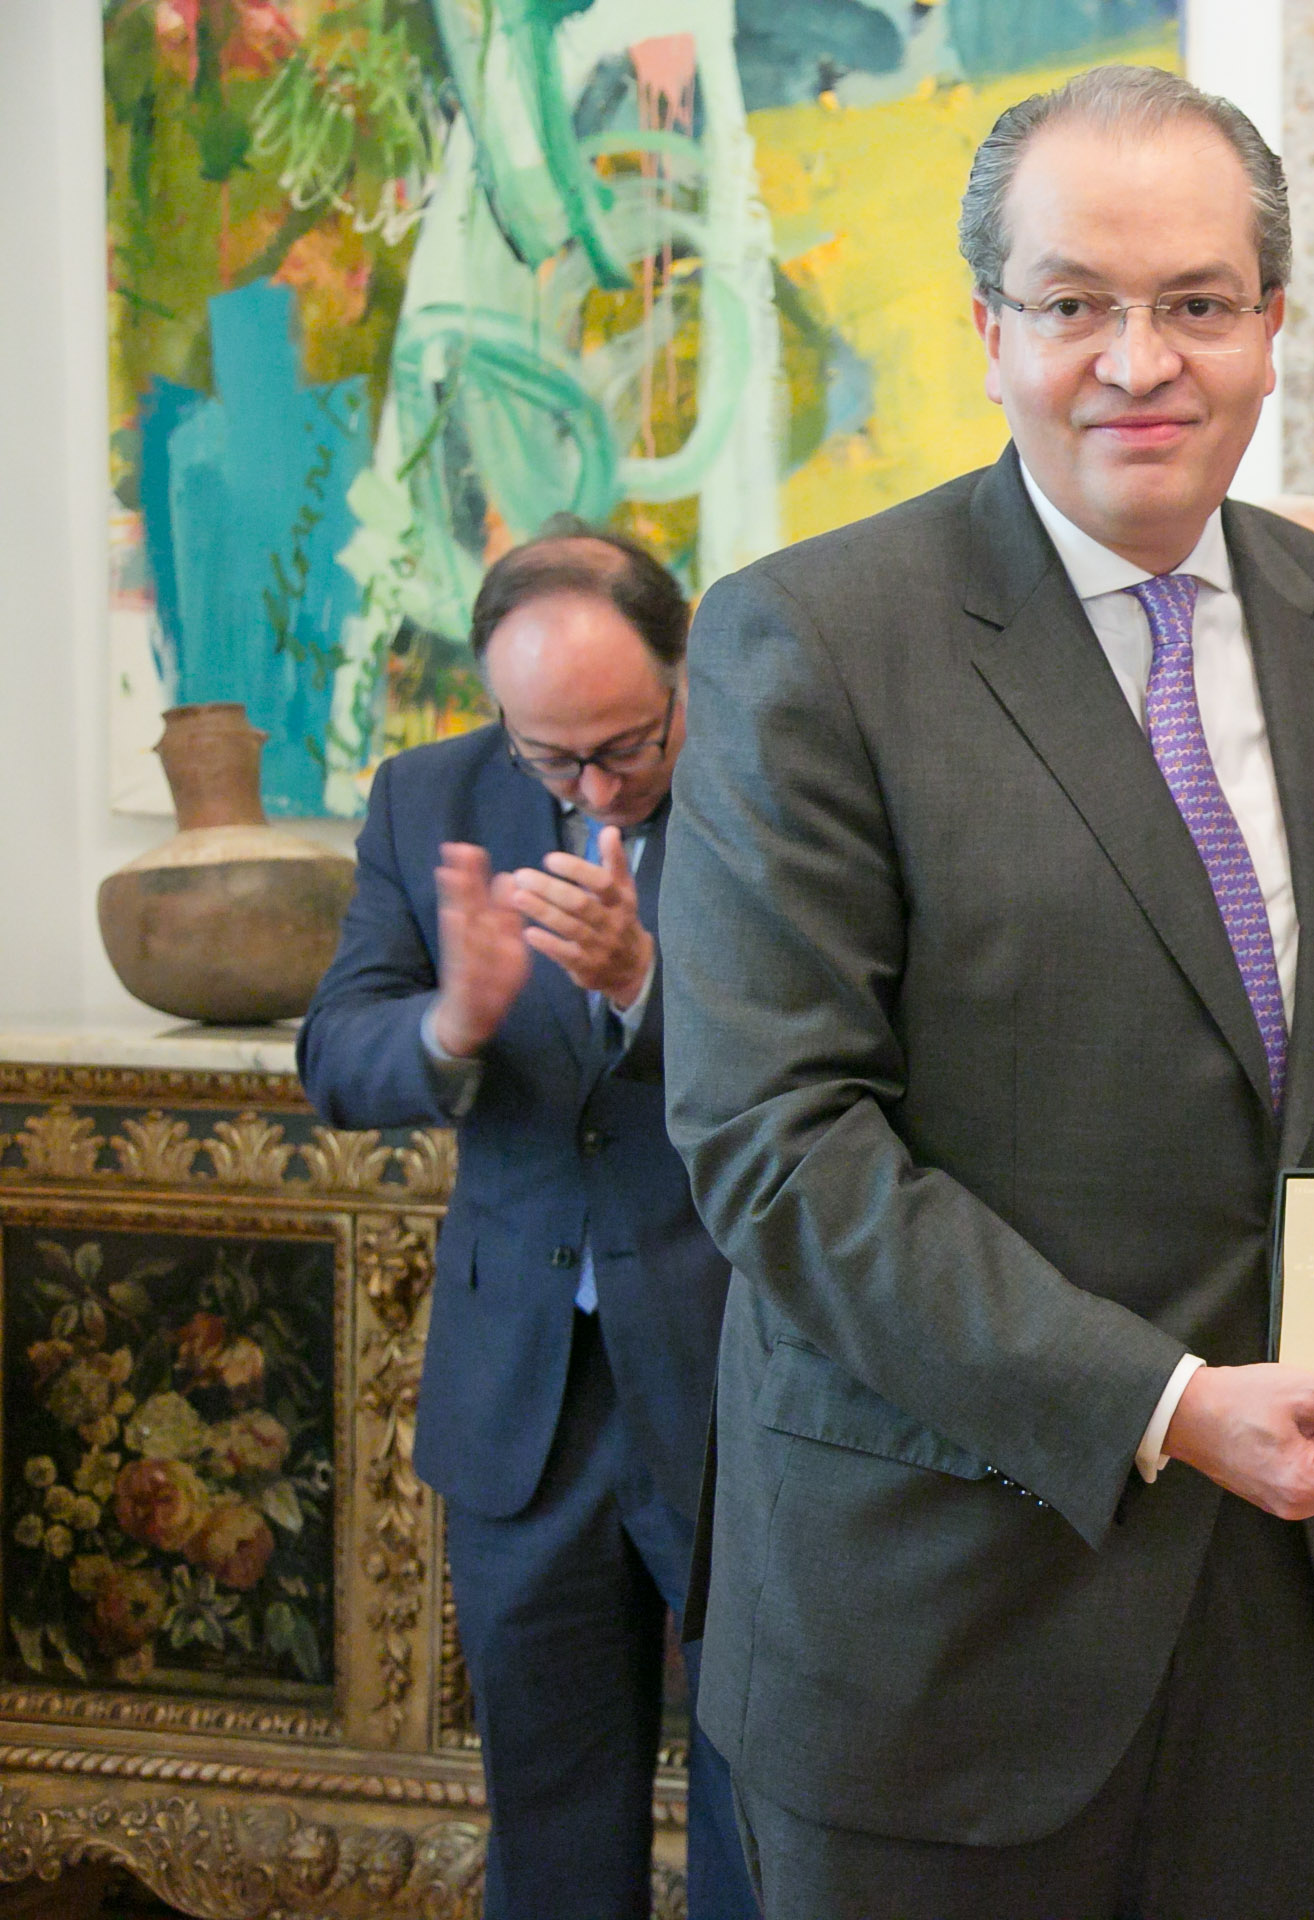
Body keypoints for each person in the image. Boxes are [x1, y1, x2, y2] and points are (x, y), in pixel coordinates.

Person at [656, 65, 1314, 1920]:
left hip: (1286, 1622)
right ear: (989, 329)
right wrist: (1163, 1401)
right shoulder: (814, 638)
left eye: (1197, 302)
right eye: (1076, 301)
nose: (1138, 361)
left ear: (1272, 324)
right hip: (937, 1626)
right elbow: (777, 1143)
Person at [296, 523, 755, 1920]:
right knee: (550, 1823)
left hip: (737, 1379)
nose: (595, 787)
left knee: (762, 1812)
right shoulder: (424, 797)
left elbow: (848, 1052)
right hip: (521, 1402)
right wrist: (452, 1022)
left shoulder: (775, 778)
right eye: (553, 759)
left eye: (627, 748)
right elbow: (336, 1054)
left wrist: (646, 985)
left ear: (683, 675)